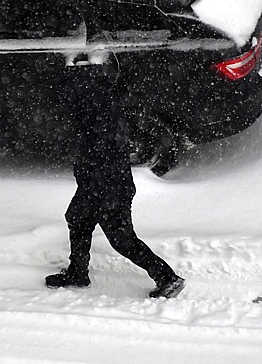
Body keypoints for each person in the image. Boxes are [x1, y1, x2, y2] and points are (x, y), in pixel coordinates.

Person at [45, 69, 185, 299]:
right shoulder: (99, 106)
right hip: (98, 184)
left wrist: (94, 175)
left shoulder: (98, 114)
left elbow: (102, 150)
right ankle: (78, 273)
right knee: (77, 219)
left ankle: (168, 278)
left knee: (122, 240)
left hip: (109, 186)